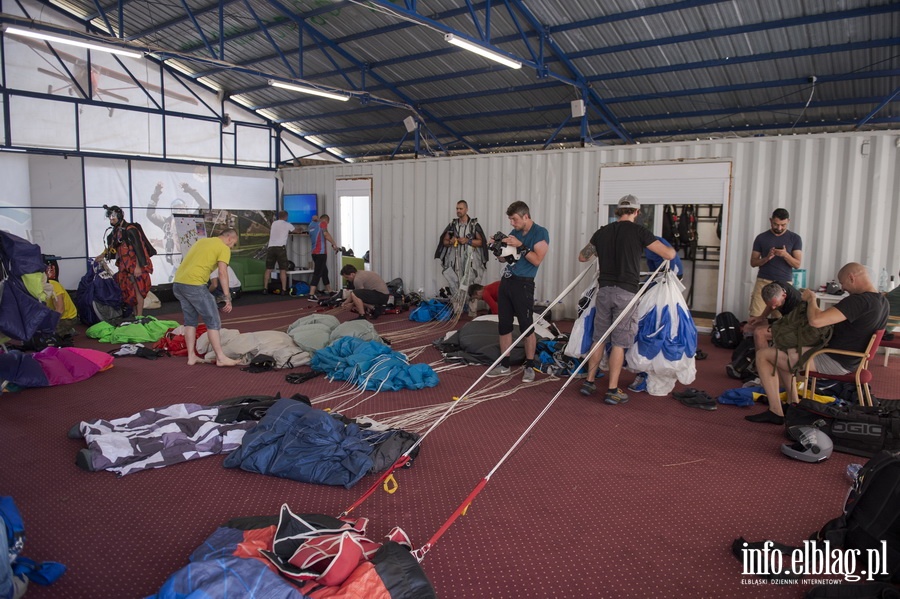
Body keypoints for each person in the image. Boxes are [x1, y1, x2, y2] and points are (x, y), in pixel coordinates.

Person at [746, 263, 888, 424]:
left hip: (834, 360)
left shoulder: (858, 301)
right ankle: (793, 404)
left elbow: (816, 321)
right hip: (852, 360)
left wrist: (812, 299)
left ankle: (775, 412)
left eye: (843, 283)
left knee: (763, 355)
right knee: (781, 351)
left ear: (852, 278)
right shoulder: (882, 302)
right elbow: (827, 320)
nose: (843, 287)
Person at [577, 195, 676, 405]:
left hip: (604, 291)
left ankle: (589, 381)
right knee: (620, 342)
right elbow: (668, 254)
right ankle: (612, 389)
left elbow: (583, 256)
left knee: (599, 338)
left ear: (617, 212)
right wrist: (669, 247)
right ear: (637, 212)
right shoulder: (640, 232)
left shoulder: (602, 232)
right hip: (626, 293)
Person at [485, 201, 550, 383]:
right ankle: (504, 364)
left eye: (514, 219)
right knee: (504, 324)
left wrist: (520, 245)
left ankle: (529, 366)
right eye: (510, 220)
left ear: (525, 216)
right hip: (507, 281)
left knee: (526, 326)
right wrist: (496, 248)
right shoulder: (514, 233)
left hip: (524, 284)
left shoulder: (540, 233)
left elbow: (537, 260)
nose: (512, 224)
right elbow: (505, 259)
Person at [172, 229, 241, 367]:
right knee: (213, 321)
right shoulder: (223, 248)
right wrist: (227, 297)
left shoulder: (203, 241)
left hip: (178, 283)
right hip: (195, 284)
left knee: (190, 321)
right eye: (233, 243)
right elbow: (222, 272)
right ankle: (221, 357)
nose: (232, 247)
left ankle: (191, 356)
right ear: (229, 238)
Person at [97, 205, 154, 318]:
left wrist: (138, 266)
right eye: (110, 218)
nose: (111, 220)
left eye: (113, 217)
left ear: (119, 216)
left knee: (138, 290)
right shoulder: (116, 231)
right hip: (124, 266)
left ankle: (139, 315)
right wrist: (102, 255)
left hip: (135, 264)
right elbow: (112, 246)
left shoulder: (130, 229)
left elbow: (139, 248)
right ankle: (134, 314)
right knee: (129, 291)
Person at [749, 208, 802, 319]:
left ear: (788, 221)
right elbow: (753, 262)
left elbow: (797, 264)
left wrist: (785, 255)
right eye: (776, 224)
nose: (779, 228)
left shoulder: (795, 238)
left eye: (783, 225)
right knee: (755, 316)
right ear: (770, 220)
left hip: (783, 285)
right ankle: (753, 336)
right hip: (763, 282)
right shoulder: (761, 238)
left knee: (780, 319)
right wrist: (766, 258)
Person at [146, 181, 209, 268]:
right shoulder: (167, 223)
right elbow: (150, 214)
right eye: (176, 208)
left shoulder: (193, 219)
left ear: (186, 208)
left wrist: (190, 190)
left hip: (194, 260)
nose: (179, 210)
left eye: (181, 207)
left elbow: (205, 205)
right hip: (177, 264)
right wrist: (156, 195)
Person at [435, 200, 488, 299]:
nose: (458, 211)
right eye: (457, 208)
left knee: (472, 283)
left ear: (466, 209)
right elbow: (444, 242)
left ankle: (472, 311)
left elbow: (482, 242)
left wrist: (468, 241)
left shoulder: (473, 225)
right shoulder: (452, 225)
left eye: (461, 208)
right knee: (455, 282)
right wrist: (451, 241)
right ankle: (456, 309)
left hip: (471, 262)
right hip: (455, 261)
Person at [744, 281, 802, 350]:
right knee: (749, 327)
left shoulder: (796, 301)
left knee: (759, 333)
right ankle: (749, 355)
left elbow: (791, 325)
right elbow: (771, 305)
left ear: (784, 296)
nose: (773, 308)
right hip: (785, 320)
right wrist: (762, 317)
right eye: (771, 305)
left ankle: (764, 359)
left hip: (796, 327)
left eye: (776, 305)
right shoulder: (774, 287)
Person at [263, 211, 297, 294]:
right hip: (280, 248)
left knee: (268, 269)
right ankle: (284, 290)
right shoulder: (287, 224)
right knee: (282, 269)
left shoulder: (274, 223)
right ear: (286, 217)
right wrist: (301, 229)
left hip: (271, 248)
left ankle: (265, 288)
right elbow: (296, 231)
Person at [307, 214, 338, 301]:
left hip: (314, 253)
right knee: (317, 273)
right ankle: (311, 294)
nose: (327, 224)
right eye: (327, 222)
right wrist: (334, 244)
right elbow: (326, 234)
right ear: (326, 220)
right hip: (321, 253)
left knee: (324, 271)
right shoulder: (323, 223)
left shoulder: (311, 225)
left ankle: (330, 291)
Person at [44, 261, 77, 336]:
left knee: (48, 334)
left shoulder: (53, 285)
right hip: (52, 314)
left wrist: (51, 324)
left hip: (67, 317)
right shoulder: (35, 287)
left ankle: (67, 329)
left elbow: (60, 309)